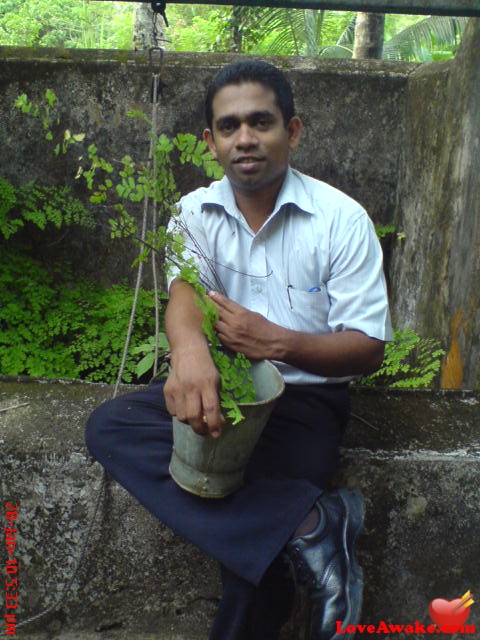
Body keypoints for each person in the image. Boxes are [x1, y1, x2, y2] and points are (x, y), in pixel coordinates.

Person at [86, 60, 392, 640]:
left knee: (249, 578)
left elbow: (367, 348)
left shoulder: (340, 220)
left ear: (292, 131)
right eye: (228, 127)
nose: (244, 139)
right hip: (220, 391)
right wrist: (188, 349)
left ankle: (289, 535)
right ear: (210, 141)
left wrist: (277, 342)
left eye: (261, 122)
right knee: (111, 427)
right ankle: (311, 525)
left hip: (302, 406)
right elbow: (184, 292)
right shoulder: (193, 213)